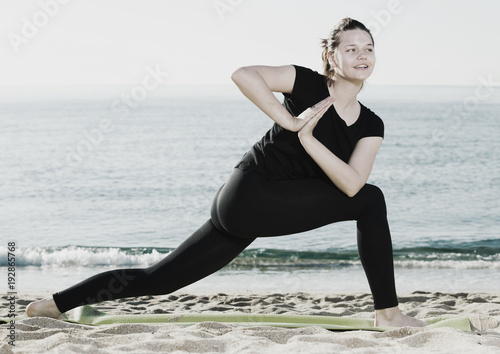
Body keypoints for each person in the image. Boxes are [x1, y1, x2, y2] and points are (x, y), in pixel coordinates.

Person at [27, 18, 426, 327]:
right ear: (332, 58)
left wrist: (309, 141)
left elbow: (351, 182)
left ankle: (52, 305)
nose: (362, 55)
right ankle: (387, 314)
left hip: (257, 207)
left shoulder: (371, 124)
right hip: (250, 194)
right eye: (351, 48)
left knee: (160, 279)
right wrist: (288, 122)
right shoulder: (305, 82)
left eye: (369, 48)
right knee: (373, 202)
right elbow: (244, 75)